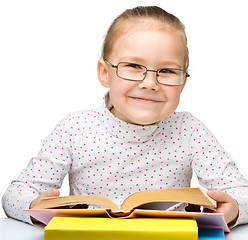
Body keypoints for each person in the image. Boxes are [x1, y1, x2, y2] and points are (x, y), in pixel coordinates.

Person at [2, 6, 248, 227]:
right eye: (133, 66)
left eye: (167, 71)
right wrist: (35, 207)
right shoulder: (74, 128)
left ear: (183, 82)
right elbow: (13, 196)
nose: (150, 83)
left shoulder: (188, 129)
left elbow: (241, 193)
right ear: (104, 73)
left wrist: (233, 209)